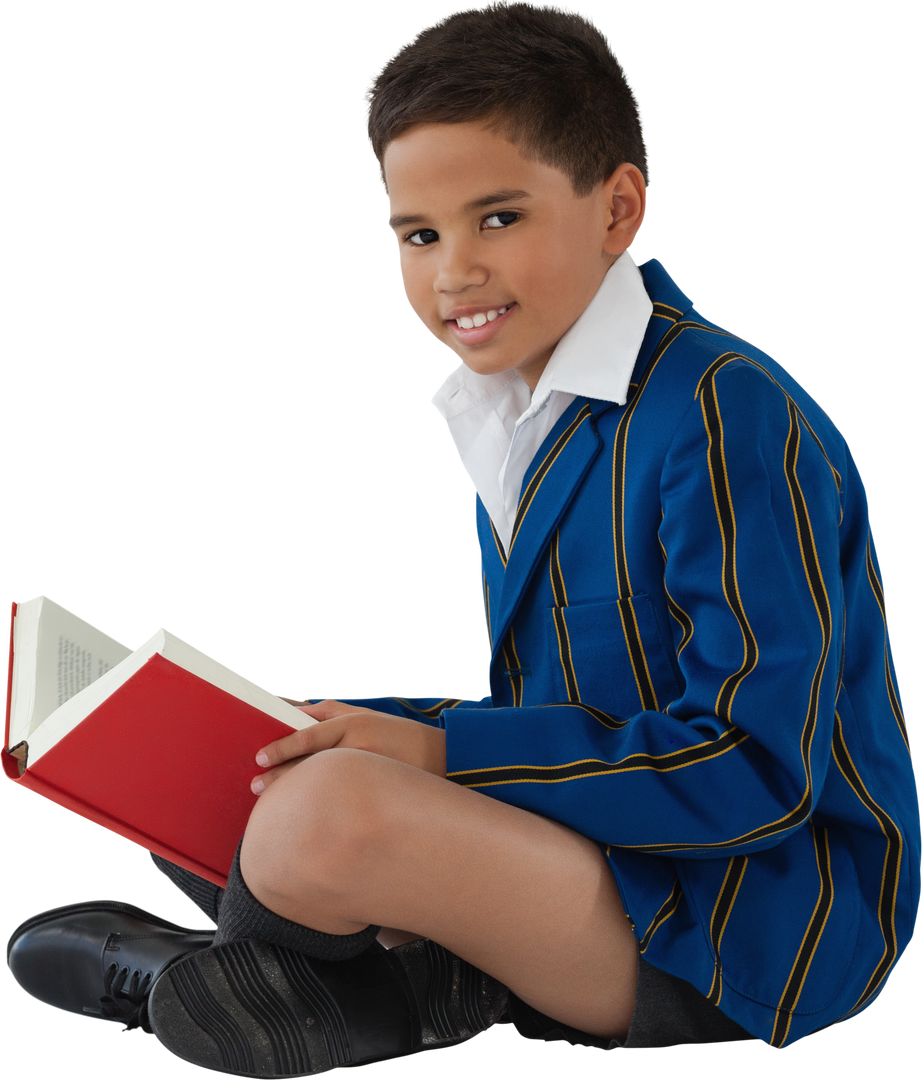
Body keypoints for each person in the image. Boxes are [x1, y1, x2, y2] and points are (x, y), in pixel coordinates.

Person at [6, 2, 917, 1073]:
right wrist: (358, 721)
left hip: (747, 921)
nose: (453, 274)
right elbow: (571, 719)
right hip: (598, 855)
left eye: (499, 218)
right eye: (419, 234)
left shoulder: (724, 412)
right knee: (247, 761)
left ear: (618, 208)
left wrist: (434, 753)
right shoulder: (514, 411)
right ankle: (377, 985)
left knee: (312, 819)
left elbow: (761, 772)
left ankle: (213, 971)